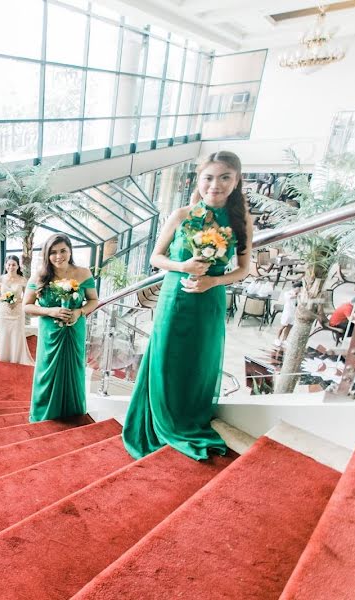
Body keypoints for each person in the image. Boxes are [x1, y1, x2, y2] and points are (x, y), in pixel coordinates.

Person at [123, 150, 253, 461]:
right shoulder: (182, 215)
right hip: (176, 296)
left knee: (199, 360)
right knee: (167, 357)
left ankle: (188, 418)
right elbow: (156, 258)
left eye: (225, 177)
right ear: (199, 179)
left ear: (236, 181)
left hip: (209, 299)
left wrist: (213, 281)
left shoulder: (240, 220)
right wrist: (184, 267)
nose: (215, 185)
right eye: (209, 177)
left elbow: (243, 268)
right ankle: (162, 420)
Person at [23, 234, 98, 422]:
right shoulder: (40, 275)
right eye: (53, 252)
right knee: (47, 370)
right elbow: (27, 306)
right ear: (47, 255)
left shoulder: (83, 273)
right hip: (50, 332)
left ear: (70, 251)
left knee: (73, 368)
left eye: (63, 250)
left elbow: (94, 300)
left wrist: (79, 312)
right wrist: (51, 311)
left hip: (75, 329)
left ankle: (72, 411)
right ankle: (45, 412)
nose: (58, 256)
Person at [0, 255, 34, 365]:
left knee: (17, 335)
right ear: (5, 266)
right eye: (9, 264)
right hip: (4, 312)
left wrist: (17, 301)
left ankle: (16, 358)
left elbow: (27, 296)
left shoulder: (22, 280)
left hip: (17, 312)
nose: (11, 267)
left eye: (13, 265)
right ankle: (4, 357)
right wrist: (3, 299)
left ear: (18, 266)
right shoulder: (1, 279)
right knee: (4, 334)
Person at [274, 280, 303, 348]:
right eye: (299, 288)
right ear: (296, 288)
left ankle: (284, 339)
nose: (300, 290)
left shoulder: (300, 294)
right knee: (283, 326)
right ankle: (277, 338)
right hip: (287, 312)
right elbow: (291, 297)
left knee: (289, 327)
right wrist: (297, 295)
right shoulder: (287, 293)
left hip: (293, 313)